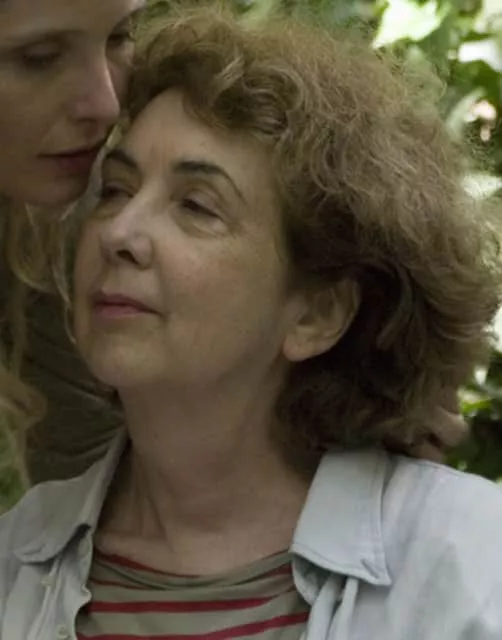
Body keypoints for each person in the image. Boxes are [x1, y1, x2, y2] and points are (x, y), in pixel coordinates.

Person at [2, 6, 502, 638]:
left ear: (319, 311)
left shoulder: (468, 570)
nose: (119, 232)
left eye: (196, 206)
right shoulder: (14, 566)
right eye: (115, 190)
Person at [0, 0, 145, 492]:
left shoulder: (56, 225)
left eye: (120, 35)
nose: (106, 105)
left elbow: (92, 492)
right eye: (39, 57)